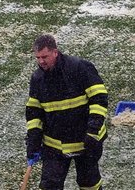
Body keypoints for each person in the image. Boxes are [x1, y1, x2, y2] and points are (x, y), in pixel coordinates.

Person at [25, 34, 108, 190]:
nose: (41, 61)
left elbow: (99, 99)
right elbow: (34, 112)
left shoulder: (80, 68)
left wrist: (92, 131)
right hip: (54, 144)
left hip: (86, 140)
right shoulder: (37, 79)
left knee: (89, 183)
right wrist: (33, 139)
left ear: (55, 52)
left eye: (45, 57)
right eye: (38, 58)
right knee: (50, 185)